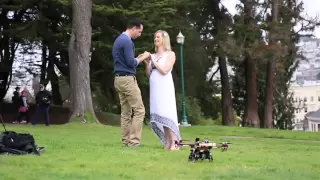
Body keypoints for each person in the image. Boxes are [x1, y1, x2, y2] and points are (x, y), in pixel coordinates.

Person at [112, 18, 150, 147]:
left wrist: (138, 58)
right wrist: (143, 57)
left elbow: (125, 62)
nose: (139, 34)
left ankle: (126, 141)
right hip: (128, 80)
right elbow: (130, 63)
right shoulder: (127, 41)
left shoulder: (118, 40)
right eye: (139, 31)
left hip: (118, 79)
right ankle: (134, 142)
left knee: (126, 112)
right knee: (139, 110)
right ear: (133, 28)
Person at [143, 30, 181, 150]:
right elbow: (149, 74)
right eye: (155, 37)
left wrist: (153, 61)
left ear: (164, 39)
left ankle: (174, 142)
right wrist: (147, 63)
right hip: (155, 89)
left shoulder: (170, 54)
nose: (156, 39)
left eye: (158, 37)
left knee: (166, 112)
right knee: (159, 112)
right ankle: (168, 142)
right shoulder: (153, 56)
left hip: (165, 88)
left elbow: (164, 70)